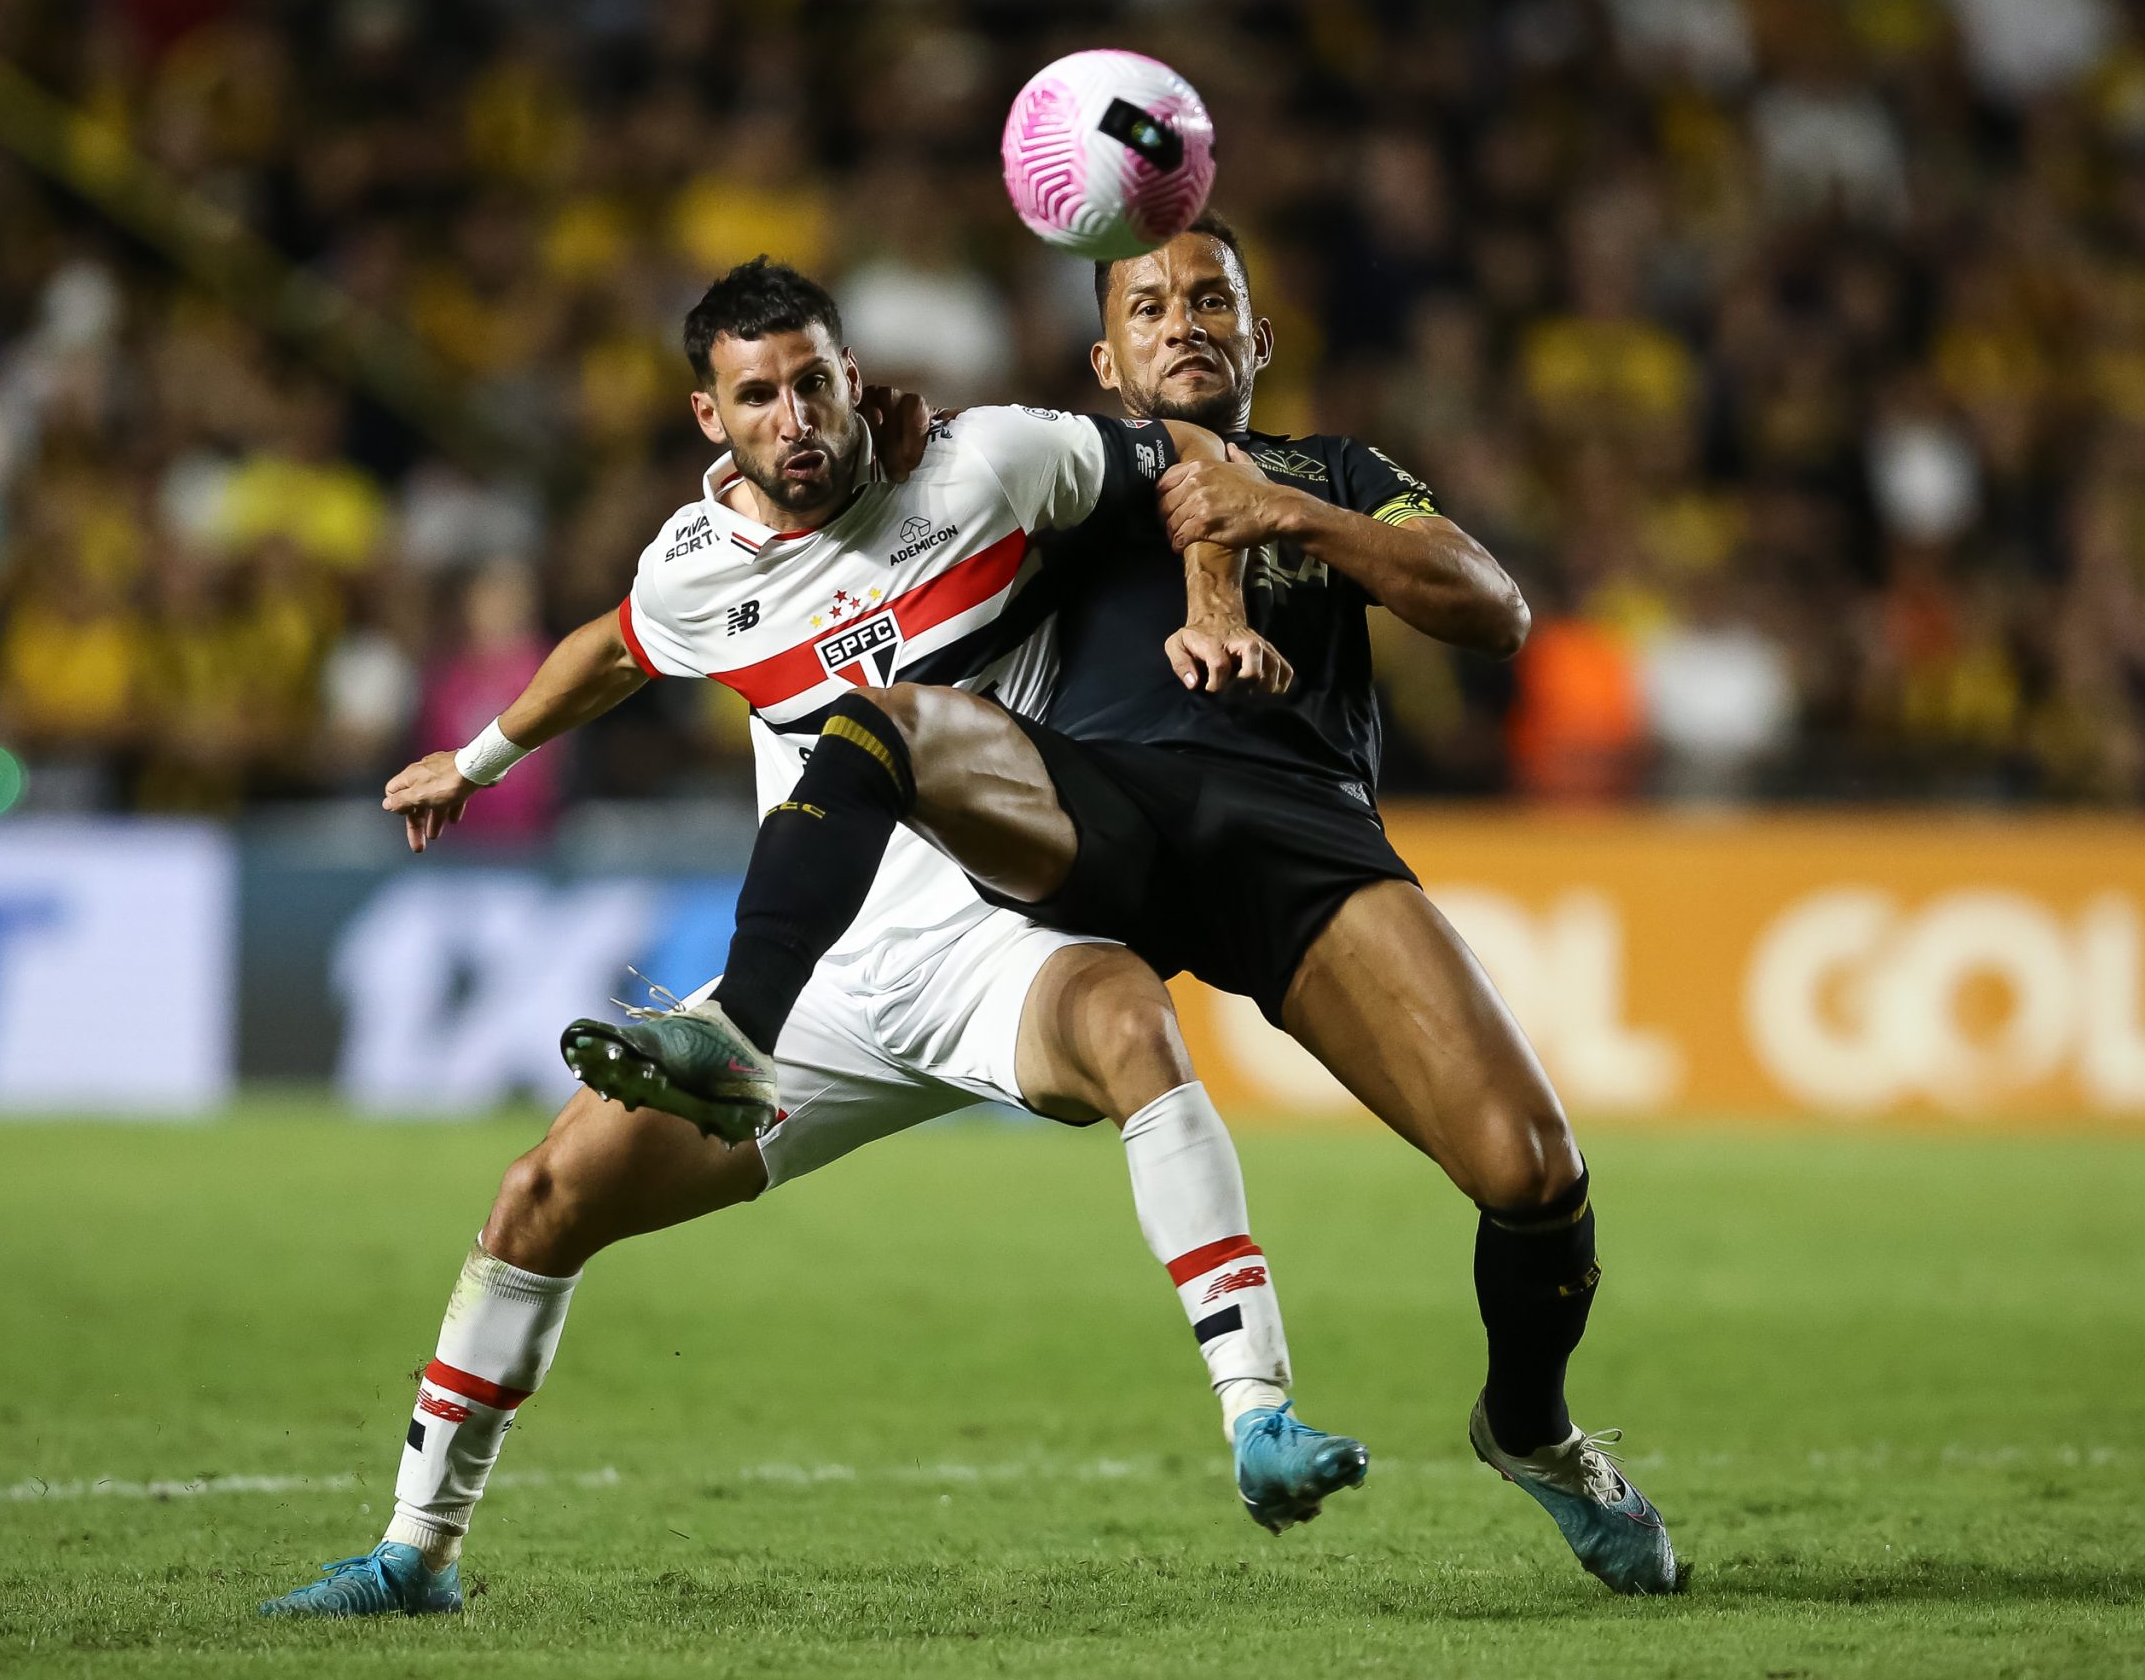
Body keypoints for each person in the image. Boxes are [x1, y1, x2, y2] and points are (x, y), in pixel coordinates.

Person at [591, 215, 1685, 1596]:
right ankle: (741, 1029)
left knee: (1533, 1171)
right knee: (889, 727)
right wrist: (881, 424)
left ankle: (1530, 1428)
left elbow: (1493, 608)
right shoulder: (1061, 473)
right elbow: (871, 498)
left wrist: (1280, 512)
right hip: (1093, 817)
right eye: (1150, 306)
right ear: (1108, 355)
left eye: (1212, 298)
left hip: (1298, 851)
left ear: (1260, 335)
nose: (1185, 322)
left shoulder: (1336, 473)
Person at [256, 259, 1364, 1619]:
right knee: (536, 1203)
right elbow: (614, 646)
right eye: (761, 395)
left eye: (816, 383)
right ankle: (416, 1551)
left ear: (857, 377)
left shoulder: (986, 466)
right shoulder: (694, 563)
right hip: (824, 985)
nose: (798, 419)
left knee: (1133, 1026)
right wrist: (478, 757)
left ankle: (1259, 1413)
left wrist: (1215, 603)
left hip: (1002, 941)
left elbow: (1189, 452)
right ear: (709, 416)